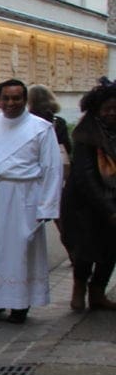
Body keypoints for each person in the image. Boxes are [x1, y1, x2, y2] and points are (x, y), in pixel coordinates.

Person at [0, 79, 63, 323]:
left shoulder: (41, 128)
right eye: (6, 98)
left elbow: (52, 168)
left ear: (25, 100)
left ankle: (20, 303)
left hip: (25, 196)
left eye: (17, 98)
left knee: (20, 252)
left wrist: (47, 205)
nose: (11, 103)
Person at [60, 79, 116, 311]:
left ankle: (98, 292)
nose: (112, 113)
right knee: (85, 251)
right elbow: (85, 177)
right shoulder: (86, 135)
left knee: (111, 250)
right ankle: (79, 288)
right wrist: (109, 209)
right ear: (97, 110)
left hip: (112, 201)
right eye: (107, 109)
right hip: (85, 206)